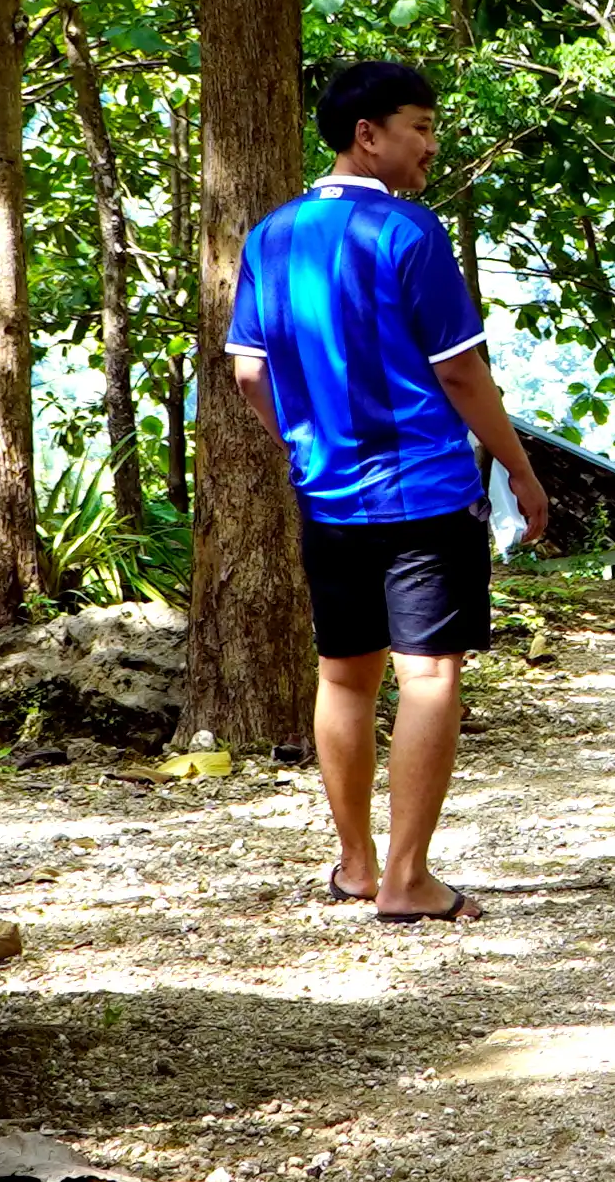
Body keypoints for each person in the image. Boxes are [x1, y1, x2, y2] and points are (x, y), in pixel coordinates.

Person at [227, 58, 555, 922]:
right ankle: (410, 880)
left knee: (343, 676)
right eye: (420, 126)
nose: (431, 145)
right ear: (366, 134)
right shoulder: (411, 234)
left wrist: (302, 445)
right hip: (426, 491)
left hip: (327, 493)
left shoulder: (271, 234)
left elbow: (249, 371)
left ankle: (356, 865)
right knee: (431, 675)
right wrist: (519, 467)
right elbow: (461, 373)